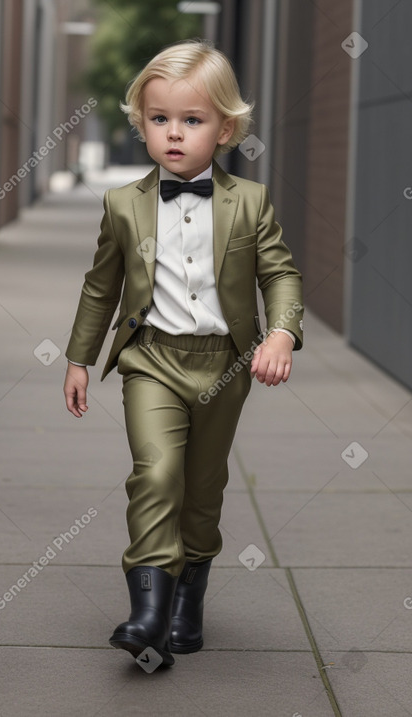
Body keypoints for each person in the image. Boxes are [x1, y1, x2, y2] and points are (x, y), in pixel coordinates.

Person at [63, 39, 303, 670]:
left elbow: (280, 274)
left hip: (223, 366)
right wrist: (79, 358)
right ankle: (147, 613)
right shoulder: (123, 204)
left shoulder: (249, 202)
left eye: (192, 120)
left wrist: (280, 333)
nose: (174, 133)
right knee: (156, 473)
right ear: (140, 123)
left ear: (226, 128)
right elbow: (101, 286)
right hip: (151, 360)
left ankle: (184, 606)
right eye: (159, 118)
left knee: (202, 489)